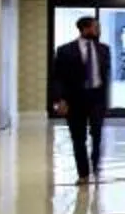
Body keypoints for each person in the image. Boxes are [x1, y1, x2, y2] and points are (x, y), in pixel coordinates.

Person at [47, 14, 114, 184]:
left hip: (97, 99)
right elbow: (57, 77)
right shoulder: (65, 51)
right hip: (74, 100)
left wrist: (107, 101)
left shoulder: (104, 49)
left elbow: (106, 78)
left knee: (97, 135)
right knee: (78, 138)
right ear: (84, 29)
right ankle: (83, 174)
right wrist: (59, 100)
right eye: (95, 27)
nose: (98, 30)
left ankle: (95, 164)